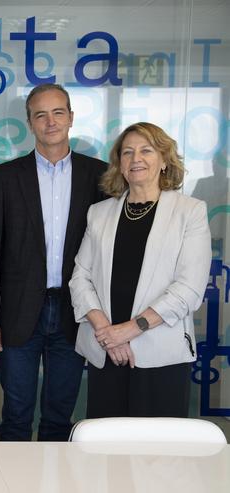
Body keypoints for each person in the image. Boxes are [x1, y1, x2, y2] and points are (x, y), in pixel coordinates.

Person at [0, 83, 106, 441]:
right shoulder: (6, 176)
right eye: (41, 114)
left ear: (70, 118)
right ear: (30, 122)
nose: (50, 121)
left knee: (59, 416)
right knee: (16, 416)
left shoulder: (99, 175)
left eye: (58, 113)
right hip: (19, 312)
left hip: (75, 310)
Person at [69, 122, 211, 418]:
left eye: (146, 150)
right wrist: (106, 332)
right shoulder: (99, 213)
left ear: (164, 160)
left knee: (157, 457)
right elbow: (80, 278)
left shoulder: (190, 212)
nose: (136, 159)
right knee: (106, 452)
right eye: (128, 152)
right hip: (107, 352)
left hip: (161, 354)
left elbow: (189, 289)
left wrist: (129, 330)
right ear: (119, 165)